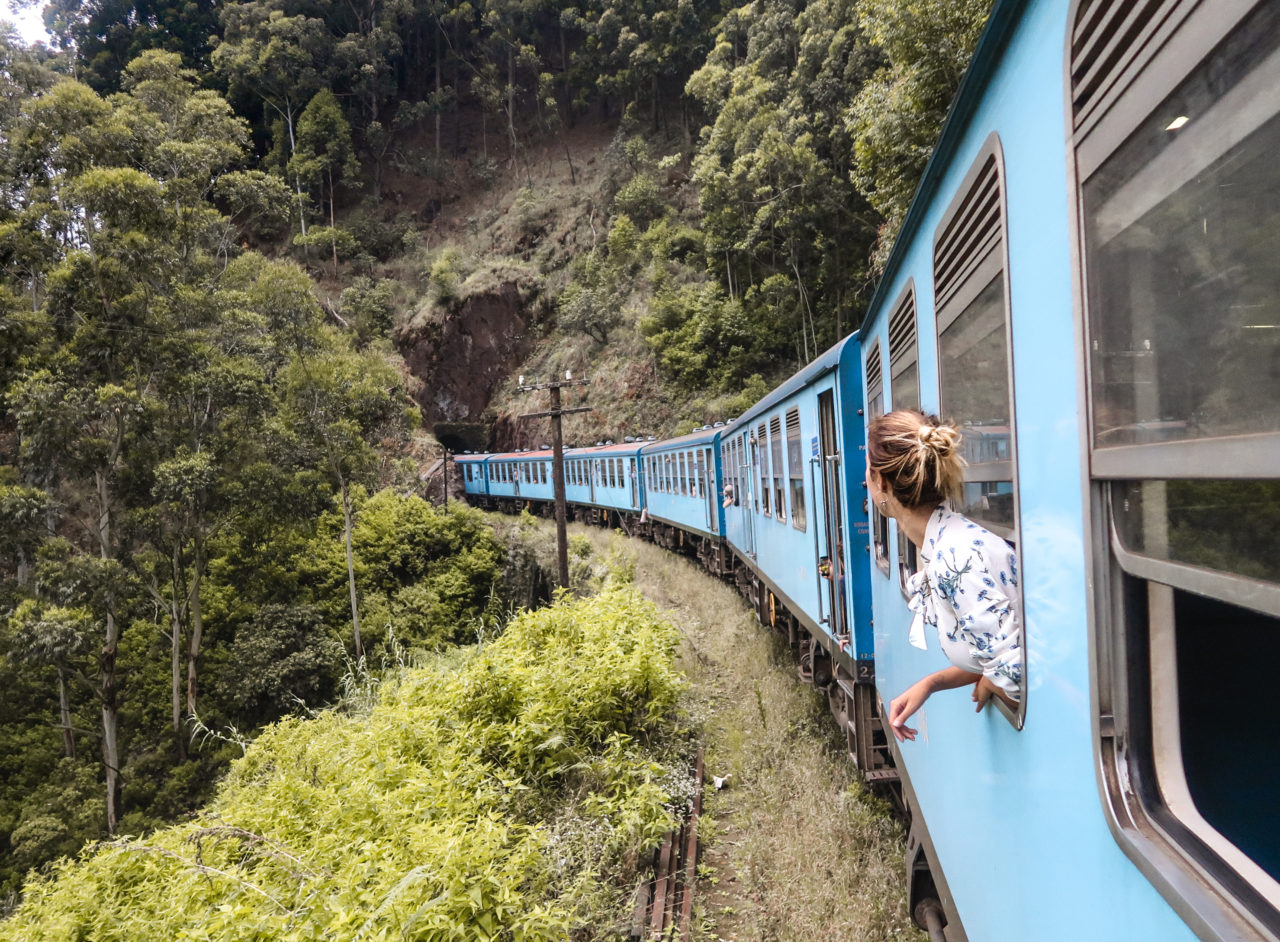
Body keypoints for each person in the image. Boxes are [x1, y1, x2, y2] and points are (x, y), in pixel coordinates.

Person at [865, 410, 1023, 743]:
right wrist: (932, 683)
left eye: (868, 470)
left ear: (882, 482)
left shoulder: (953, 559)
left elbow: (1017, 668)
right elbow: (991, 645)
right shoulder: (948, 542)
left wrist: (993, 681)